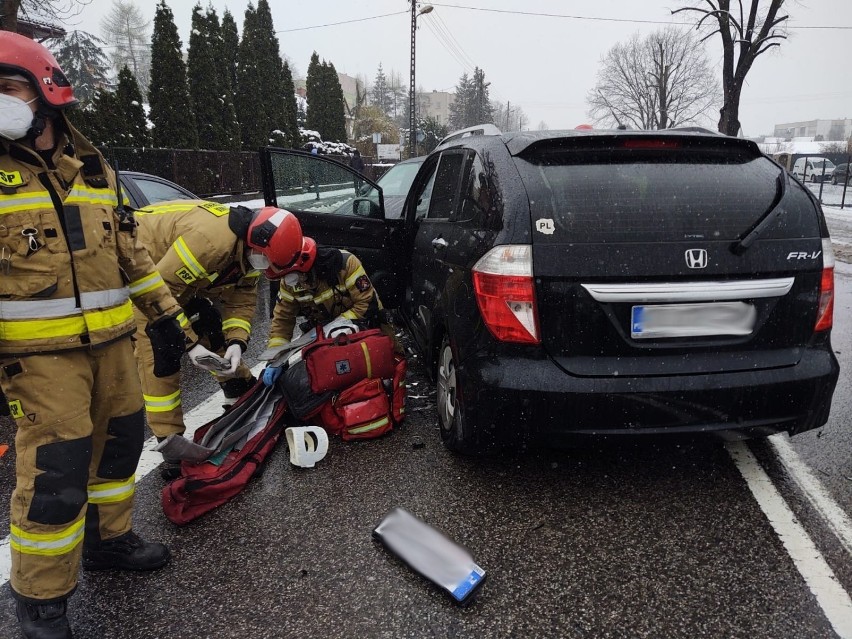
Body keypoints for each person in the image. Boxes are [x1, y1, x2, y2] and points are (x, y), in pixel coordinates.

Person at [0, 32, 221, 639]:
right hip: (40, 361)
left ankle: (109, 541)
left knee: (120, 448)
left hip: (115, 344)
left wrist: (171, 324)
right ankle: (41, 603)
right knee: (54, 473)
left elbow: (133, 258)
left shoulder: (94, 168)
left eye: (6, 87)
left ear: (47, 93)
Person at [132, 202, 303, 478]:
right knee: (160, 350)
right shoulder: (211, 241)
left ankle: (239, 389)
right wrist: (189, 343)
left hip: (171, 283)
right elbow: (158, 293)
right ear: (256, 244)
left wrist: (236, 341)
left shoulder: (249, 250)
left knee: (210, 325)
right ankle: (170, 442)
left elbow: (241, 298)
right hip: (143, 283)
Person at [264, 237, 391, 354]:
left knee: (388, 357)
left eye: (292, 277)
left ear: (305, 268)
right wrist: (276, 357)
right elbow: (283, 320)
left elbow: (367, 304)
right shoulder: (288, 282)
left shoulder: (346, 264)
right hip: (325, 336)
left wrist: (333, 326)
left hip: (366, 323)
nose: (292, 283)